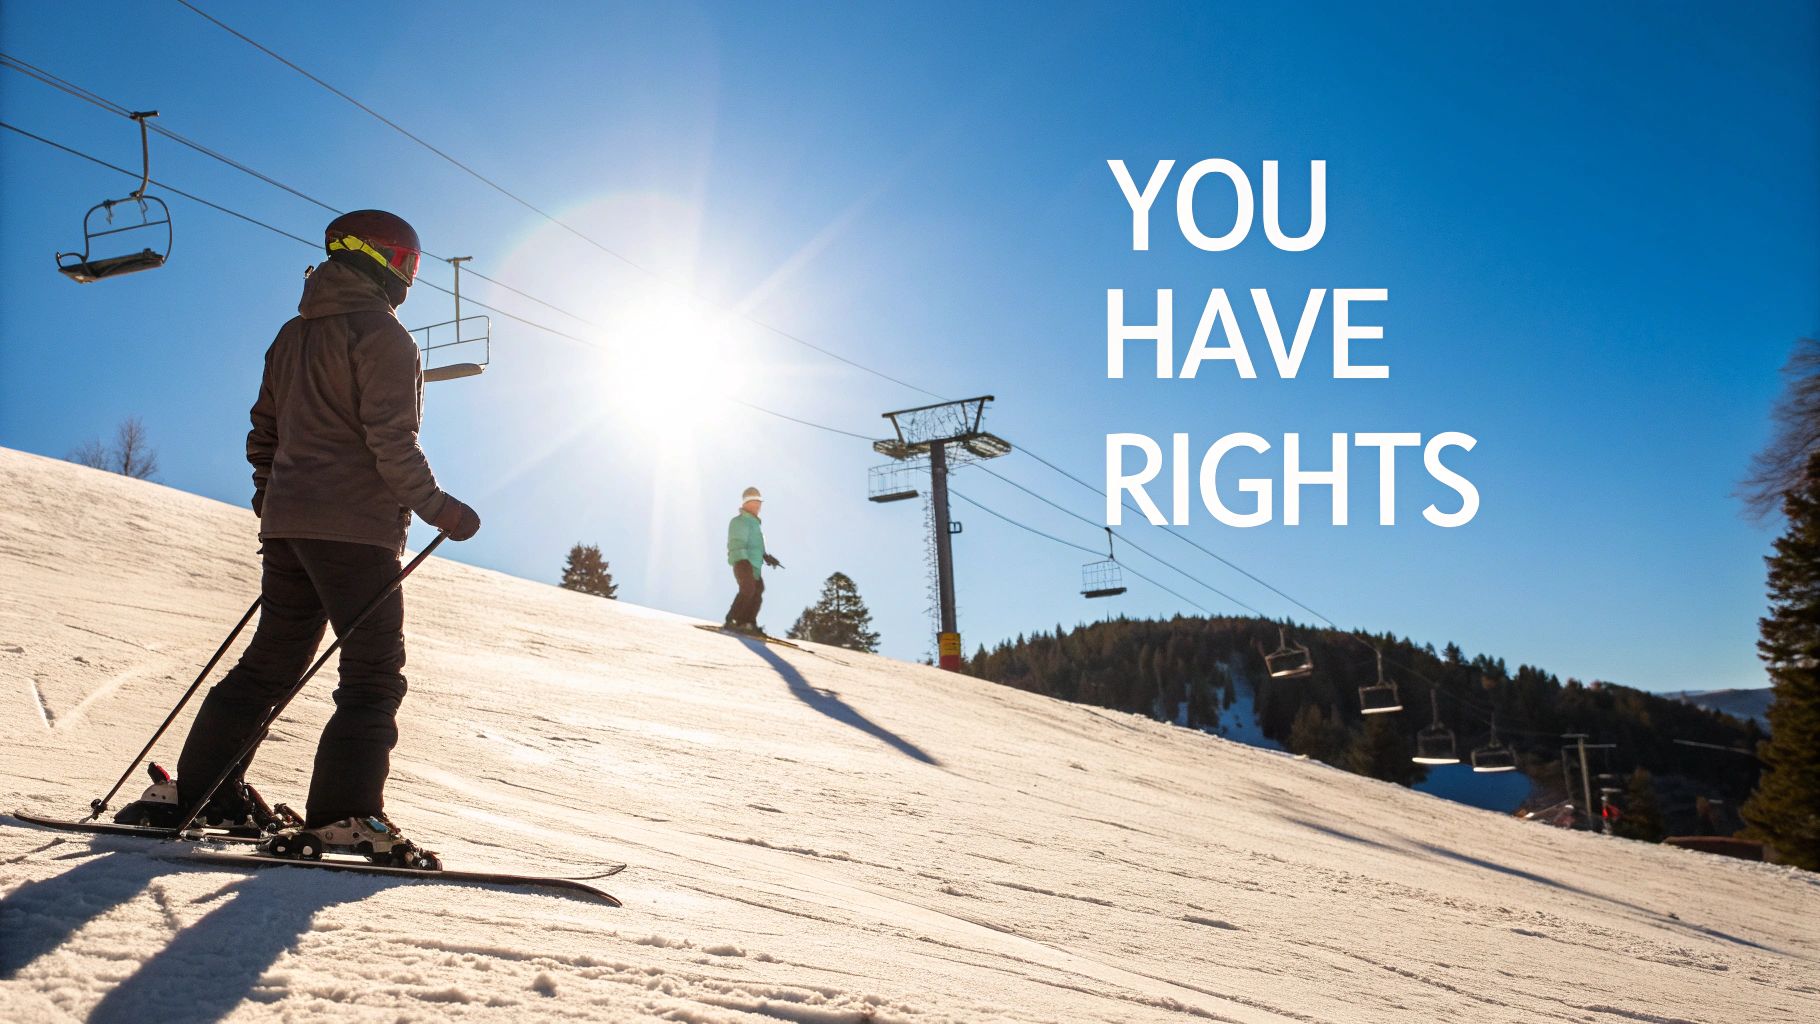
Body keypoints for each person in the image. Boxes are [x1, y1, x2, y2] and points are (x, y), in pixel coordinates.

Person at [116, 210, 480, 866]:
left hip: (290, 529)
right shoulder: (385, 337)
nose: (410, 277)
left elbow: (265, 434)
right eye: (409, 263)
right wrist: (440, 508)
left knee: (270, 665)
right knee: (372, 675)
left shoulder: (292, 336)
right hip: (356, 532)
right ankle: (344, 817)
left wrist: (277, 504)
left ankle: (207, 792)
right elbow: (390, 442)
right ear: (385, 260)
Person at [724, 486, 783, 634]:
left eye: (759, 503)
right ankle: (732, 619)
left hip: (754, 565)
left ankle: (747, 622)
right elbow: (737, 541)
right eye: (755, 503)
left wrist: (767, 557)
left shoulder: (755, 524)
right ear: (746, 503)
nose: (758, 506)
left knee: (757, 590)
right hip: (742, 561)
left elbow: (755, 547)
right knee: (748, 589)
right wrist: (742, 560)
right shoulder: (740, 521)